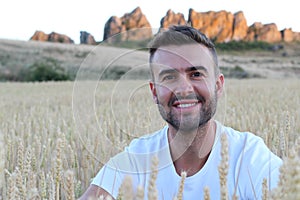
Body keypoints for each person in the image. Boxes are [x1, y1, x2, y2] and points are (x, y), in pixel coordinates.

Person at [79, 25, 282, 200]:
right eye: (169, 77)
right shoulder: (136, 159)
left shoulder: (249, 156)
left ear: (218, 86)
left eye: (196, 74)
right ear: (154, 91)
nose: (184, 89)